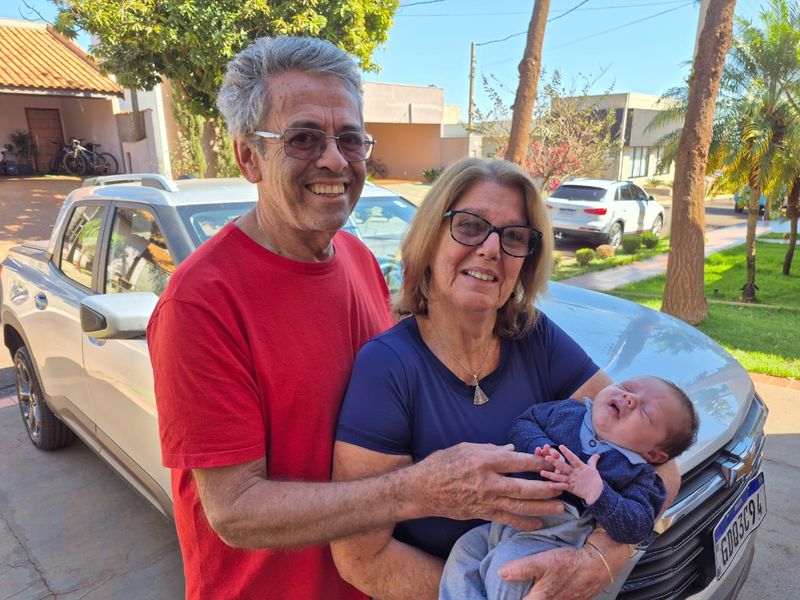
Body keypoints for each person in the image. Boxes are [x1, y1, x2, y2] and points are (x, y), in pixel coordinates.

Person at [148, 37, 569, 600]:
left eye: (350, 139)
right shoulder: (200, 303)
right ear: (248, 157)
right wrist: (421, 490)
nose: (334, 160)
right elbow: (235, 511)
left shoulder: (356, 258)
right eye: (303, 138)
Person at [331, 157, 681, 600]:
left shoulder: (532, 335)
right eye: (470, 226)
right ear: (430, 238)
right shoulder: (388, 367)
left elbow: (662, 466)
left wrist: (599, 560)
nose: (492, 248)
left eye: (514, 236)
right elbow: (362, 559)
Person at [440, 376, 699, 600]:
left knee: (508, 569)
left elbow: (637, 527)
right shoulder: (569, 412)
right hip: (508, 520)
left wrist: (598, 492)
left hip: (557, 534)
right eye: (627, 387)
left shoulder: (640, 475)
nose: (629, 398)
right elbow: (525, 422)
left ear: (654, 455)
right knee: (465, 551)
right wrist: (540, 447)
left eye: (645, 412)